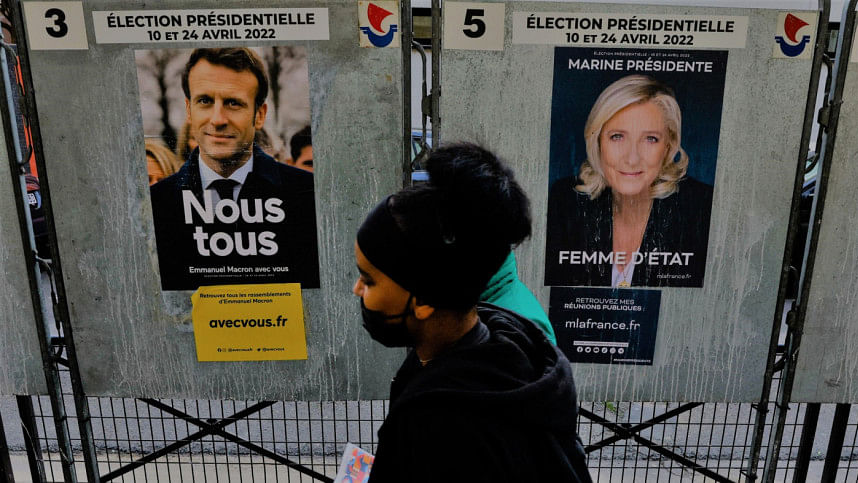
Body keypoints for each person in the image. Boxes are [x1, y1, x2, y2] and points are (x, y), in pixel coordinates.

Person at [353, 143, 591, 482]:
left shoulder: (435, 428)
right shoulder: (510, 340)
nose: (357, 290)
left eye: (368, 280)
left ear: (423, 300)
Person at [150, 48, 319, 290]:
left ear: (259, 115)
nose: (218, 119)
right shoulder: (157, 206)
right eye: (205, 101)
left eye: (233, 103)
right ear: (189, 110)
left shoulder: (307, 196)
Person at [545, 75, 712, 288]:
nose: (632, 158)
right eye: (617, 136)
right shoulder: (566, 202)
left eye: (650, 138)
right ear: (597, 141)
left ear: (668, 146)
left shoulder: (702, 209)